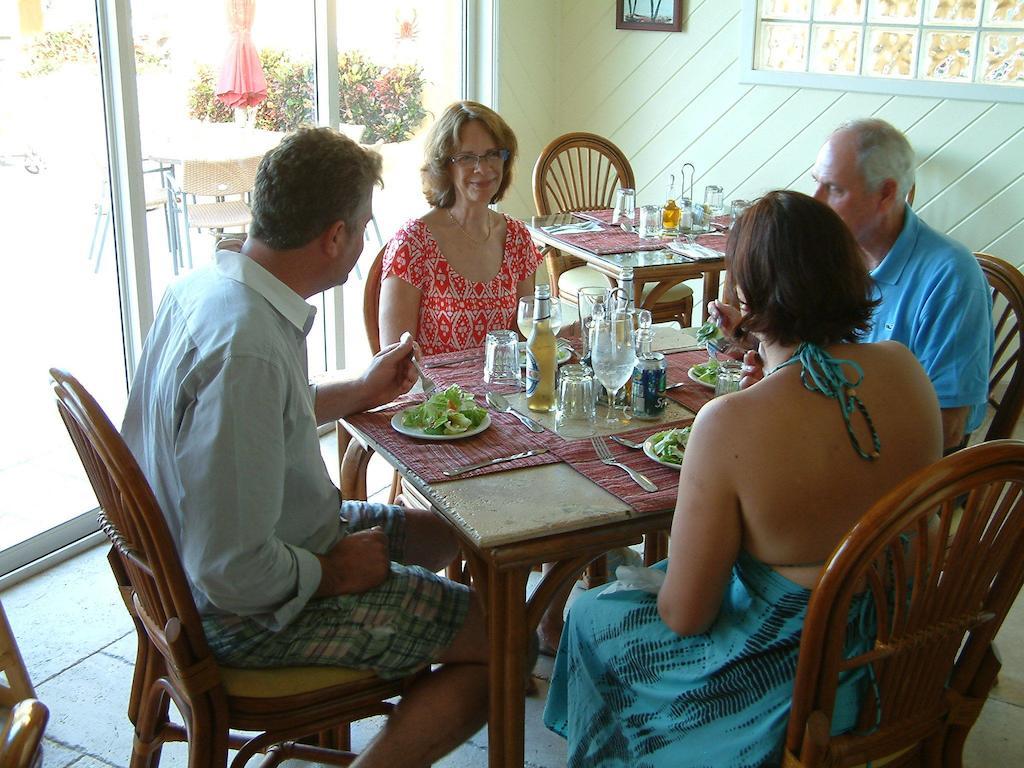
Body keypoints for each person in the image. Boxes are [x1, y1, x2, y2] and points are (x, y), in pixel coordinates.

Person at [121, 127, 490, 768]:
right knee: (500, 645)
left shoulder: (211, 292)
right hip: (238, 613)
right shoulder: (248, 349)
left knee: (449, 535)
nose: (362, 243)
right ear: (335, 237)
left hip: (230, 551)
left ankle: (405, 653)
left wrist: (362, 388)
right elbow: (230, 567)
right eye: (362, 227)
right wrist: (332, 574)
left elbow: (256, 422)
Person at [544, 191, 943, 767]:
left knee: (592, 614)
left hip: (793, 683)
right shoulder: (905, 368)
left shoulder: (729, 424)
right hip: (901, 650)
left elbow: (688, 616)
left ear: (749, 292)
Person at [714, 119, 992, 452]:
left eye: (834, 189)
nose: (815, 200)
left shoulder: (951, 276)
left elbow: (948, 430)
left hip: (901, 479)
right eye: (816, 183)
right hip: (815, 436)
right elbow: (807, 358)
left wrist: (804, 416)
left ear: (886, 193)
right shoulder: (829, 255)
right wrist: (758, 345)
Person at [378, 100, 544, 353]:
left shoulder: (517, 237)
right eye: (467, 158)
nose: (483, 168)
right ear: (445, 165)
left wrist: (558, 336)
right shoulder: (413, 243)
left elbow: (525, 340)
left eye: (492, 154)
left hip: (504, 391)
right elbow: (394, 360)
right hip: (435, 392)